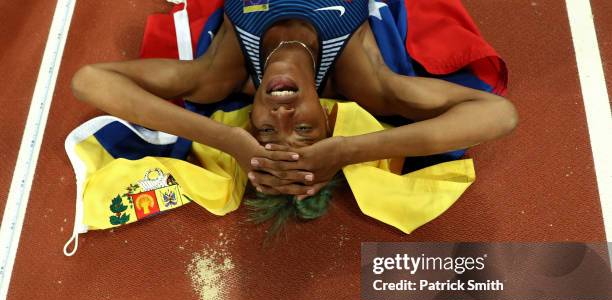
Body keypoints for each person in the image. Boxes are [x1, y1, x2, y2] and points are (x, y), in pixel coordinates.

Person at [71, 0, 518, 201]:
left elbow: (90, 80)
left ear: (252, 114)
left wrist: (226, 139)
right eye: (304, 129)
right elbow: (499, 113)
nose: (283, 115)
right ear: (327, 113)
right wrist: (348, 151)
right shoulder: (367, 79)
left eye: (265, 130)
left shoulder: (224, 72)